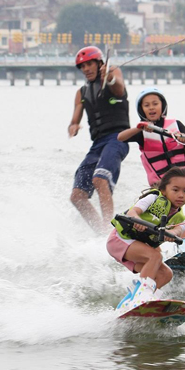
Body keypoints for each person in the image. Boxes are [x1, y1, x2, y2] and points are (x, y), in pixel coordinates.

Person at [107, 167, 185, 314]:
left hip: (136, 248)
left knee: (165, 274)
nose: (181, 195)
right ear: (164, 190)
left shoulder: (180, 218)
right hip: (119, 240)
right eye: (176, 190)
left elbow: (179, 229)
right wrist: (138, 220)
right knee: (155, 256)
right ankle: (142, 296)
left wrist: (170, 233)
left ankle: (130, 302)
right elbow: (133, 212)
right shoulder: (154, 198)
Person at [68, 46, 130, 231]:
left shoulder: (112, 73)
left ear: (99, 63)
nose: (86, 69)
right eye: (83, 66)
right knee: (77, 196)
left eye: (89, 64)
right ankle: (100, 231)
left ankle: (109, 226)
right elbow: (74, 120)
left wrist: (108, 78)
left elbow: (118, 88)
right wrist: (74, 127)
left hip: (117, 139)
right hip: (98, 145)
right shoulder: (81, 93)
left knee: (99, 179)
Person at [117, 87, 185, 187]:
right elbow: (120, 137)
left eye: (155, 104)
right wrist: (139, 128)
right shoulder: (141, 132)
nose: (151, 107)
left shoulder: (176, 125)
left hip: (181, 182)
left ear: (162, 106)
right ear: (141, 110)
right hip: (159, 185)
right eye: (146, 105)